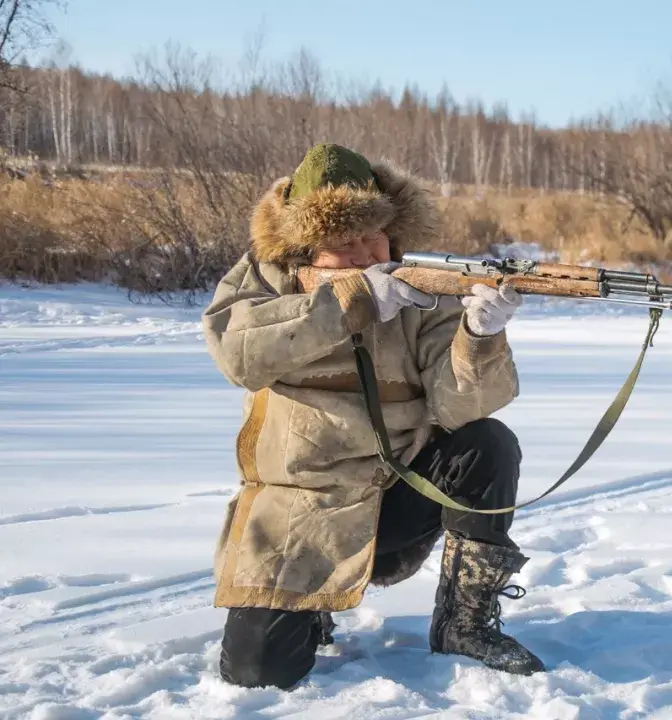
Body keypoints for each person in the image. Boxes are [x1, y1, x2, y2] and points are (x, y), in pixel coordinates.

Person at [201, 142, 544, 691]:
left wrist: (481, 336)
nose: (365, 252)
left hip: (395, 494)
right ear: (304, 248)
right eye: (344, 241)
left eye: (373, 234)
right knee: (256, 674)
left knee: (488, 442)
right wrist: (349, 303)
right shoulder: (264, 282)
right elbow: (238, 353)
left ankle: (465, 624)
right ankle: (310, 605)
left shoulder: (421, 291)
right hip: (301, 511)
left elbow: (462, 406)